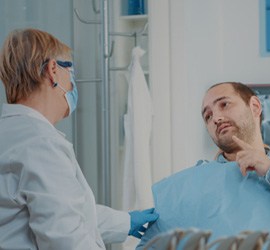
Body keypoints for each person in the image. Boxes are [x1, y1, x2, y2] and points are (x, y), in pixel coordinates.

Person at [137, 82, 270, 250]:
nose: (216, 118)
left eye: (224, 104)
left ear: (255, 106)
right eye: (208, 116)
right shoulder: (189, 185)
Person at [0, 28, 158, 249]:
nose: (73, 84)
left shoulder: (11, 133)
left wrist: (126, 222)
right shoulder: (41, 144)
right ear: (53, 70)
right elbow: (66, 238)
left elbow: (59, 212)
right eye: (71, 71)